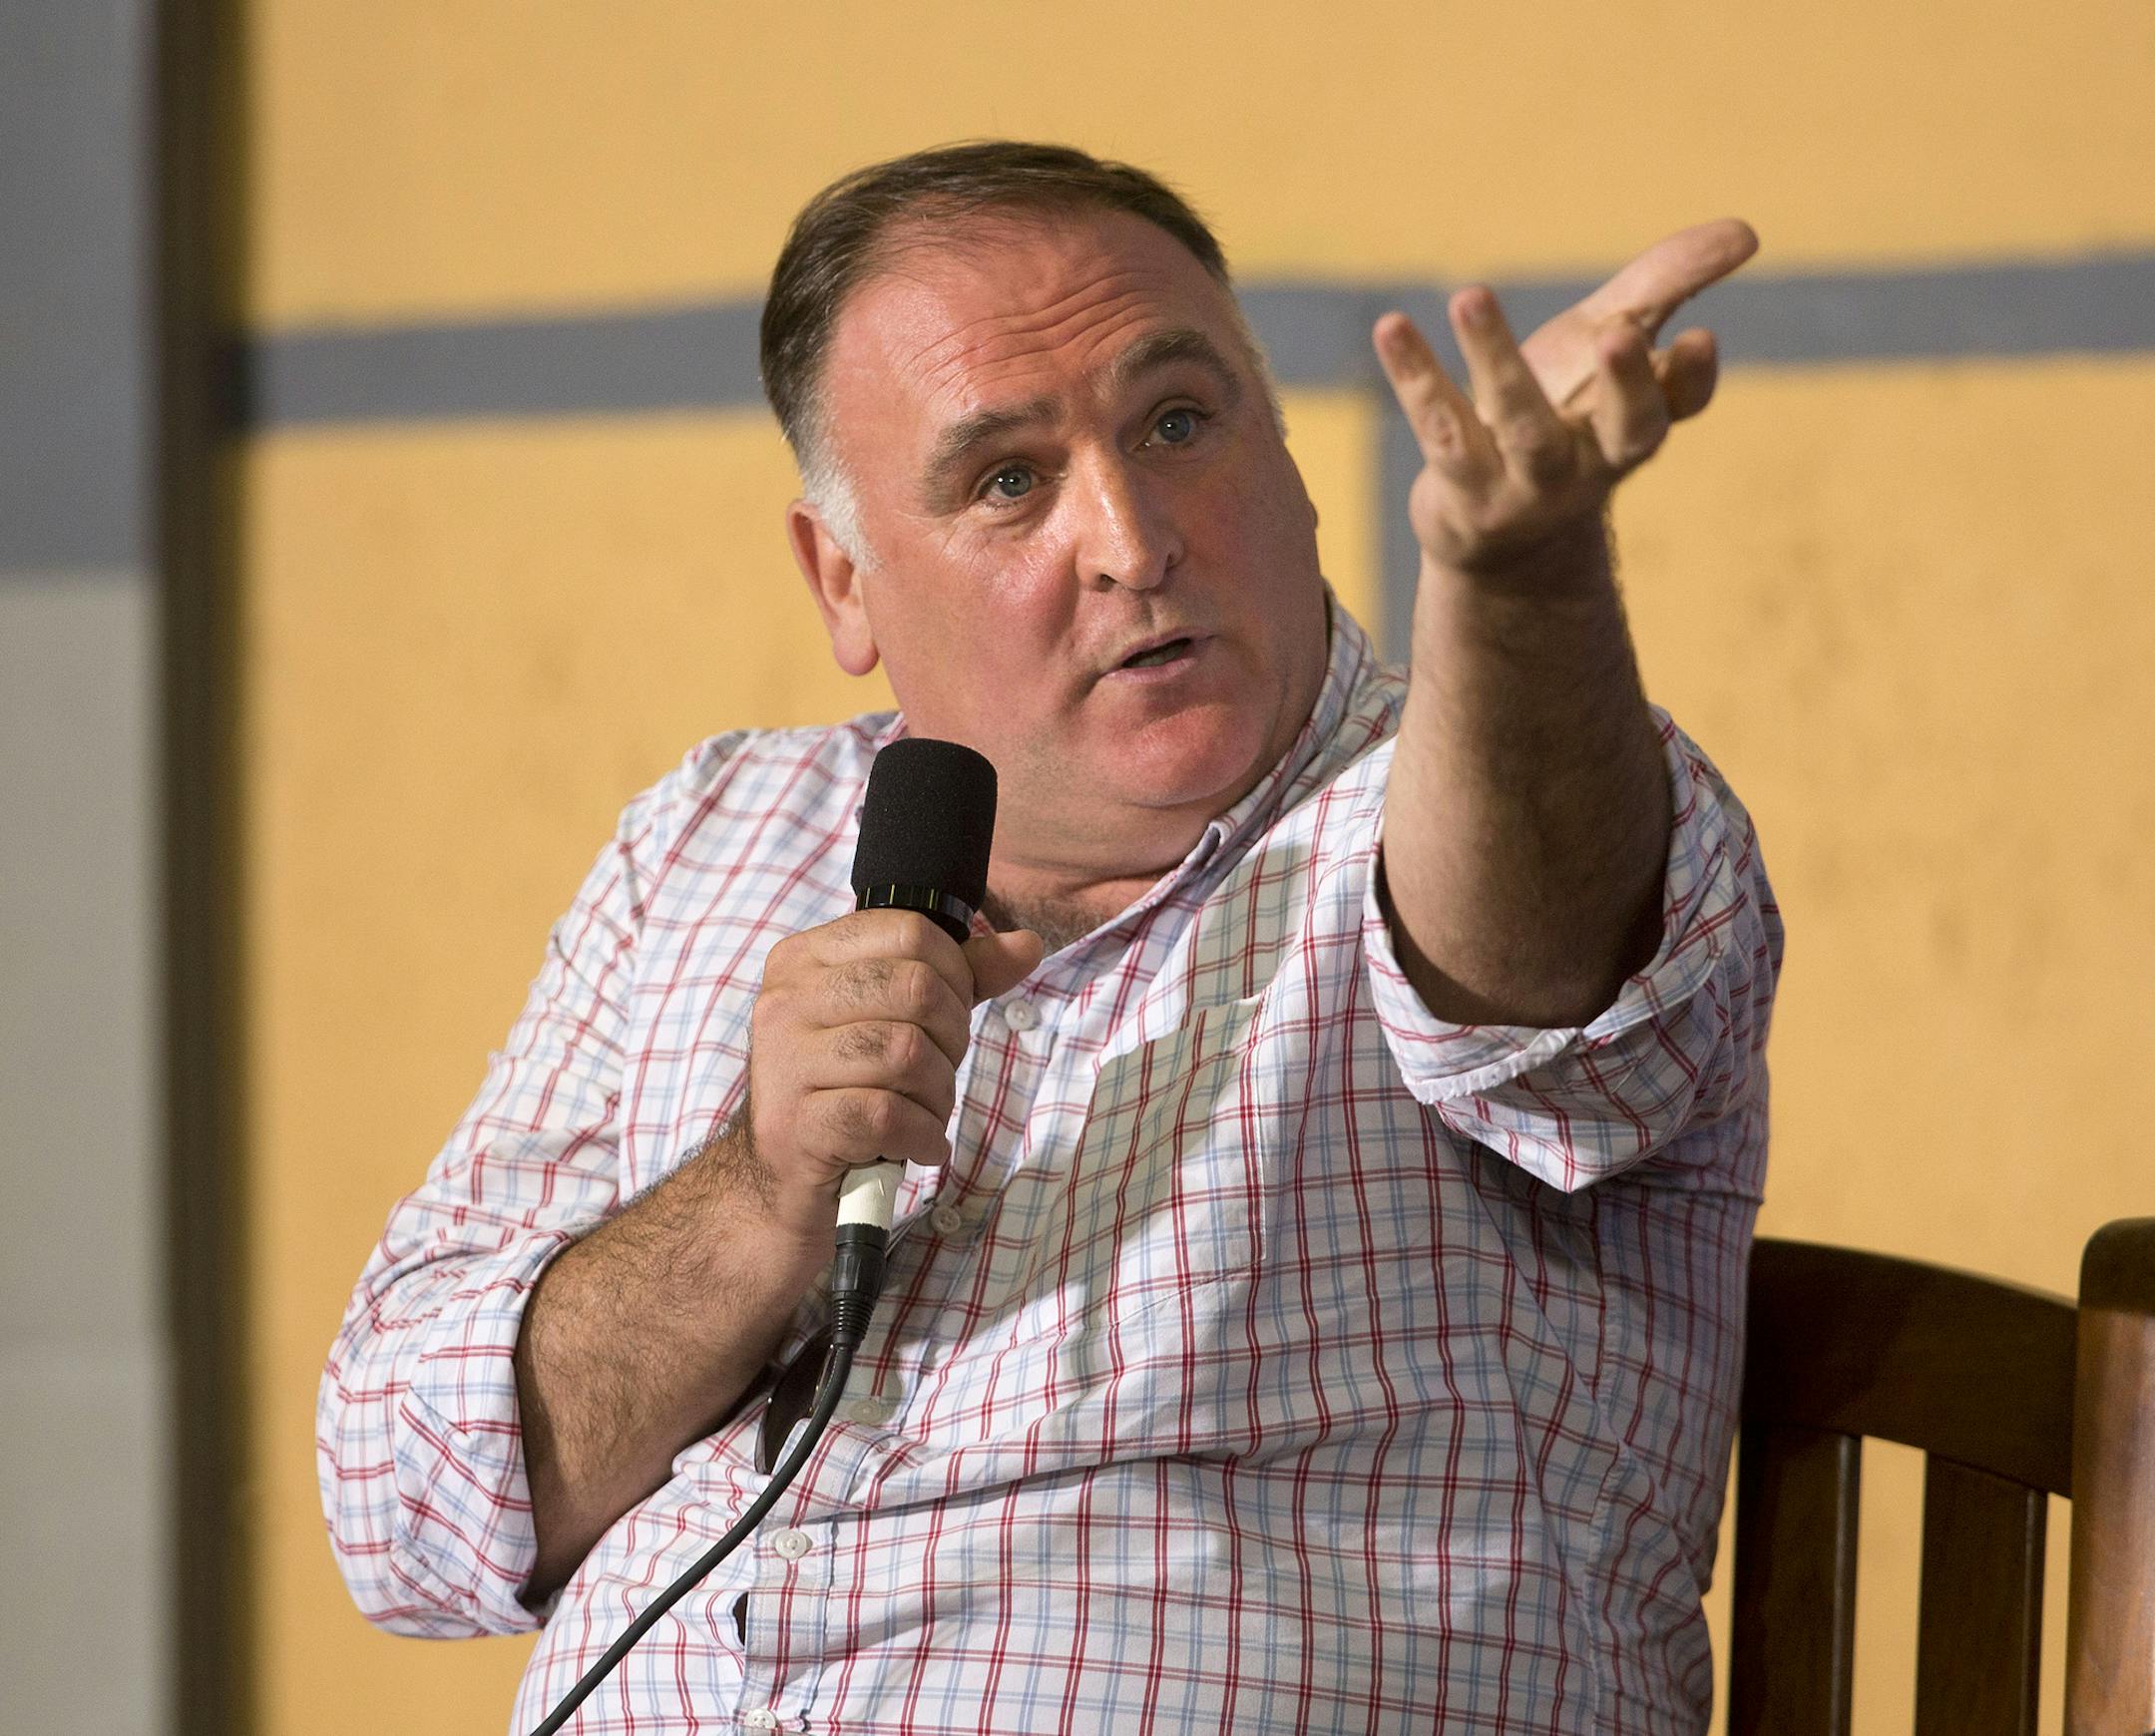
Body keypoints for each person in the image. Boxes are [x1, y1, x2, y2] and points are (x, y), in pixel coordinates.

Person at [319, 141, 1781, 1735]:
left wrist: (1519, 576)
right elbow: (407, 1510)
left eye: (1178, 423)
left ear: (1287, 461)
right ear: (845, 582)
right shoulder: (714, 834)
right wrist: (757, 1196)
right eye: (1008, 478)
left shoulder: (1462, 804)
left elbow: (1541, 997)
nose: (1131, 536)